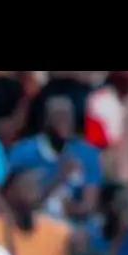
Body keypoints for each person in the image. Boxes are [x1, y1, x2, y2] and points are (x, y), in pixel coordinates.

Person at [9, 95, 103, 223]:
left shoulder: (87, 154)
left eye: (68, 116)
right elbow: (18, 200)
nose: (65, 121)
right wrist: (60, 178)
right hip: (34, 221)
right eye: (59, 116)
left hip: (73, 224)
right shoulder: (23, 152)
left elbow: (88, 205)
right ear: (46, 121)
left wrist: (70, 210)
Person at [0, 169, 73, 255]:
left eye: (34, 185)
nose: (33, 190)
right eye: (26, 186)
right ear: (10, 192)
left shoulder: (57, 230)